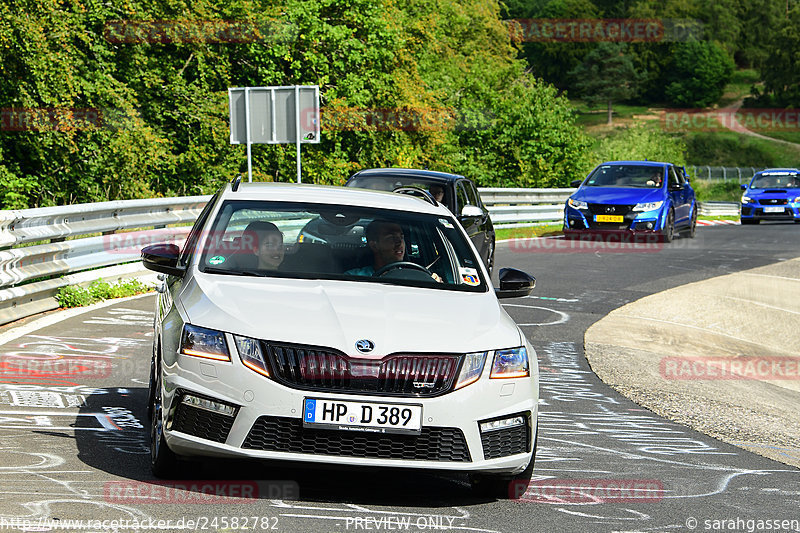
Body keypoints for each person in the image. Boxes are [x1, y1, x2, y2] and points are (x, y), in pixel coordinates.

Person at [345, 219, 442, 281]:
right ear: (374, 246)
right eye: (391, 238)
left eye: (401, 237)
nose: (399, 242)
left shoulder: (416, 276)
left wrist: (434, 283)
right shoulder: (354, 277)